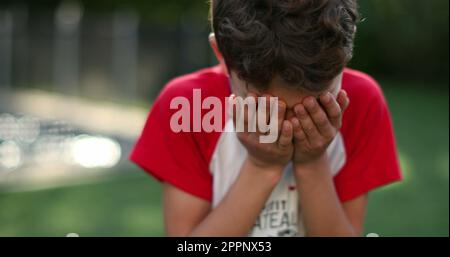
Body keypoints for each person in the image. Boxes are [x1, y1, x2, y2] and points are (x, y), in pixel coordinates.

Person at [130, 0, 402, 237]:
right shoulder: (188, 107)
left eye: (316, 103)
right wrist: (262, 167)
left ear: (343, 58)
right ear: (223, 57)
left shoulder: (362, 103)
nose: (289, 124)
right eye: (268, 105)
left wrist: (312, 162)